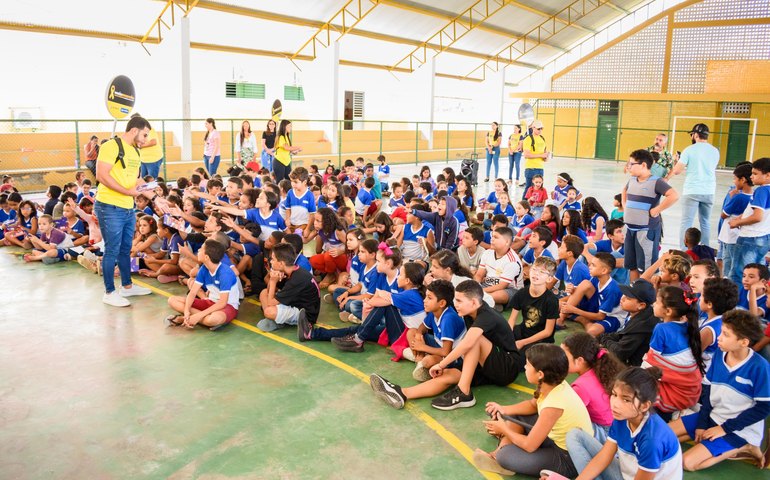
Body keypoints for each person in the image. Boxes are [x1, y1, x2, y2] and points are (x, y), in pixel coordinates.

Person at [369, 280, 523, 411]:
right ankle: (402, 393)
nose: (455, 304)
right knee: (449, 374)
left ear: (474, 302)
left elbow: (468, 344)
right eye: (455, 300)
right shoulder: (469, 314)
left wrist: (441, 363)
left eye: (459, 301)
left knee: (475, 340)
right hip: (487, 365)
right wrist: (445, 367)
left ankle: (464, 393)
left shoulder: (486, 316)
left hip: (507, 367)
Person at [669, 309, 770, 471]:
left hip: (740, 430)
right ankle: (705, 436)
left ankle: (746, 447)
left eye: (725, 334)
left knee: (686, 463)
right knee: (663, 436)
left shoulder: (760, 368)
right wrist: (701, 424)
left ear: (744, 342)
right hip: (713, 417)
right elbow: (707, 393)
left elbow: (764, 408)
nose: (719, 338)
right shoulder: (719, 354)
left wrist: (723, 429)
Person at [473, 344, 592, 478]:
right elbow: (532, 405)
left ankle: (501, 454)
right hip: (556, 438)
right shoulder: (553, 382)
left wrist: (504, 429)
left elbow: (530, 446)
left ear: (540, 374)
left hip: (568, 458)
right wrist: (503, 409)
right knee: (514, 413)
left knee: (505, 456)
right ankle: (499, 450)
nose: (524, 367)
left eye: (528, 365)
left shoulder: (554, 404)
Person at [564, 367, 683, 480]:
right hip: (626, 474)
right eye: (614, 394)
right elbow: (604, 457)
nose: (615, 403)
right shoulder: (623, 417)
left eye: (626, 399)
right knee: (575, 435)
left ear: (644, 406)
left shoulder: (652, 440)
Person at [94, 115, 154, 307]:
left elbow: (136, 180)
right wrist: (128, 192)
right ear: (134, 130)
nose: (145, 140)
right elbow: (101, 175)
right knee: (111, 249)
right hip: (109, 206)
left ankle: (127, 287)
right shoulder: (110, 146)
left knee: (125, 249)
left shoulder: (135, 152)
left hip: (128, 207)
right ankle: (109, 292)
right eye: (144, 135)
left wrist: (155, 195)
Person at [642, 286, 705, 419]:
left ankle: (674, 414)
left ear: (668, 311)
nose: (653, 304)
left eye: (657, 302)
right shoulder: (688, 325)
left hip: (675, 394)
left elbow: (651, 362)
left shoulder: (661, 329)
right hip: (690, 391)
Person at [622, 149, 679, 280]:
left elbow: (674, 195)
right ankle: (634, 293)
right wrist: (625, 205)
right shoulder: (632, 180)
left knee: (647, 268)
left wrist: (657, 209)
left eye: (631, 164)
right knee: (632, 266)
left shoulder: (656, 181)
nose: (628, 166)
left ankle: (646, 297)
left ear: (643, 165)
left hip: (645, 231)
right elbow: (624, 190)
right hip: (630, 230)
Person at [562, 332, 625, 440]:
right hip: (620, 425)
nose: (560, 359)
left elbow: (562, 413)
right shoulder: (602, 369)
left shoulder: (580, 387)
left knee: (566, 428)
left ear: (579, 361)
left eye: (563, 356)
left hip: (606, 432)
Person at [165, 239, 239, 331]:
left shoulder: (225, 273)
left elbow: (222, 302)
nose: (198, 250)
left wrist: (198, 315)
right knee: (172, 300)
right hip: (210, 302)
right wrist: (187, 311)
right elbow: (192, 293)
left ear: (207, 257)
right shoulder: (204, 268)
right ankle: (194, 318)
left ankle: (186, 319)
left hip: (227, 306)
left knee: (214, 319)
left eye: (201, 249)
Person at [670, 123, 719, 248]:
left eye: (692, 134)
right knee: (705, 222)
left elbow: (676, 171)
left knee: (686, 221)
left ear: (696, 135)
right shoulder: (715, 151)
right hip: (709, 191)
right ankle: (706, 249)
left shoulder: (689, 150)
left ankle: (684, 250)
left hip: (692, 190)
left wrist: (677, 160)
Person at [257, 243, 320, 332]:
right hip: (295, 304)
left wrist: (272, 281)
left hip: (306, 315)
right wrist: (273, 280)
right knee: (263, 292)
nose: (270, 261)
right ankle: (275, 319)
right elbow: (268, 291)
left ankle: (277, 321)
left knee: (268, 311)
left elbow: (270, 302)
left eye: (273, 259)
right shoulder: (292, 270)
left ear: (281, 263)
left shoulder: (297, 279)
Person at [599, 279, 659, 366]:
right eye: (624, 294)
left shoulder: (642, 325)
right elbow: (621, 334)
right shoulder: (639, 313)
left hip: (638, 370)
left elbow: (619, 353)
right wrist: (603, 337)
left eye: (628, 298)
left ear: (641, 305)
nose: (622, 298)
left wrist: (604, 340)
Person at [728, 157, 770, 285]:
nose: (751, 177)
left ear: (768, 175)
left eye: (755, 174)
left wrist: (737, 223)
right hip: (764, 237)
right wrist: (742, 216)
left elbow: (757, 216)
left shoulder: (762, 190)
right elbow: (757, 211)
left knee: (741, 274)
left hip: (750, 238)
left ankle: (739, 303)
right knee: (758, 273)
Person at [508, 256, 559, 352]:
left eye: (542, 272)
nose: (536, 273)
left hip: (541, 340)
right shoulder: (522, 293)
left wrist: (523, 342)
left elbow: (547, 332)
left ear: (549, 279)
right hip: (523, 331)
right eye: (534, 269)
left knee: (524, 357)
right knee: (498, 337)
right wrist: (508, 334)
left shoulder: (551, 300)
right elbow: (512, 319)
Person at [521, 119, 549, 199]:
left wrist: (546, 157)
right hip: (531, 168)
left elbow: (544, 154)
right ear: (533, 128)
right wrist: (541, 155)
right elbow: (526, 155)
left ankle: (536, 206)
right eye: (538, 128)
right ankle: (523, 206)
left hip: (540, 168)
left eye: (541, 128)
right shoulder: (528, 139)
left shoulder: (542, 139)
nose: (540, 130)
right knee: (529, 188)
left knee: (539, 189)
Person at [134, 113, 164, 179]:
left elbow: (153, 142)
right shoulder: (137, 132)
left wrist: (140, 146)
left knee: (151, 181)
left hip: (153, 160)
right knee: (143, 182)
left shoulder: (149, 129)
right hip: (143, 160)